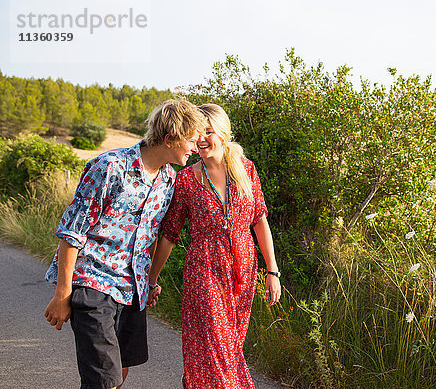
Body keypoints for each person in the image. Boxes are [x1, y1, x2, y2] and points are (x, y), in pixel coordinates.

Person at [43, 98, 207, 389]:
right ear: (169, 139)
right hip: (93, 283)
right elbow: (71, 233)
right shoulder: (109, 167)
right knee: (103, 380)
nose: (196, 148)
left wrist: (151, 280)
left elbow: (152, 234)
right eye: (192, 141)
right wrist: (62, 293)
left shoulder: (169, 180)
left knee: (120, 374)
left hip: (132, 291)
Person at [148, 103, 281, 389]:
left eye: (208, 132)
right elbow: (170, 234)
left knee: (227, 351)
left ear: (222, 132)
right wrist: (152, 278)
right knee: (218, 350)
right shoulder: (185, 179)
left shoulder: (246, 170)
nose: (201, 139)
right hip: (204, 272)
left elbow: (259, 220)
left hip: (243, 273)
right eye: (197, 133)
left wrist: (272, 271)